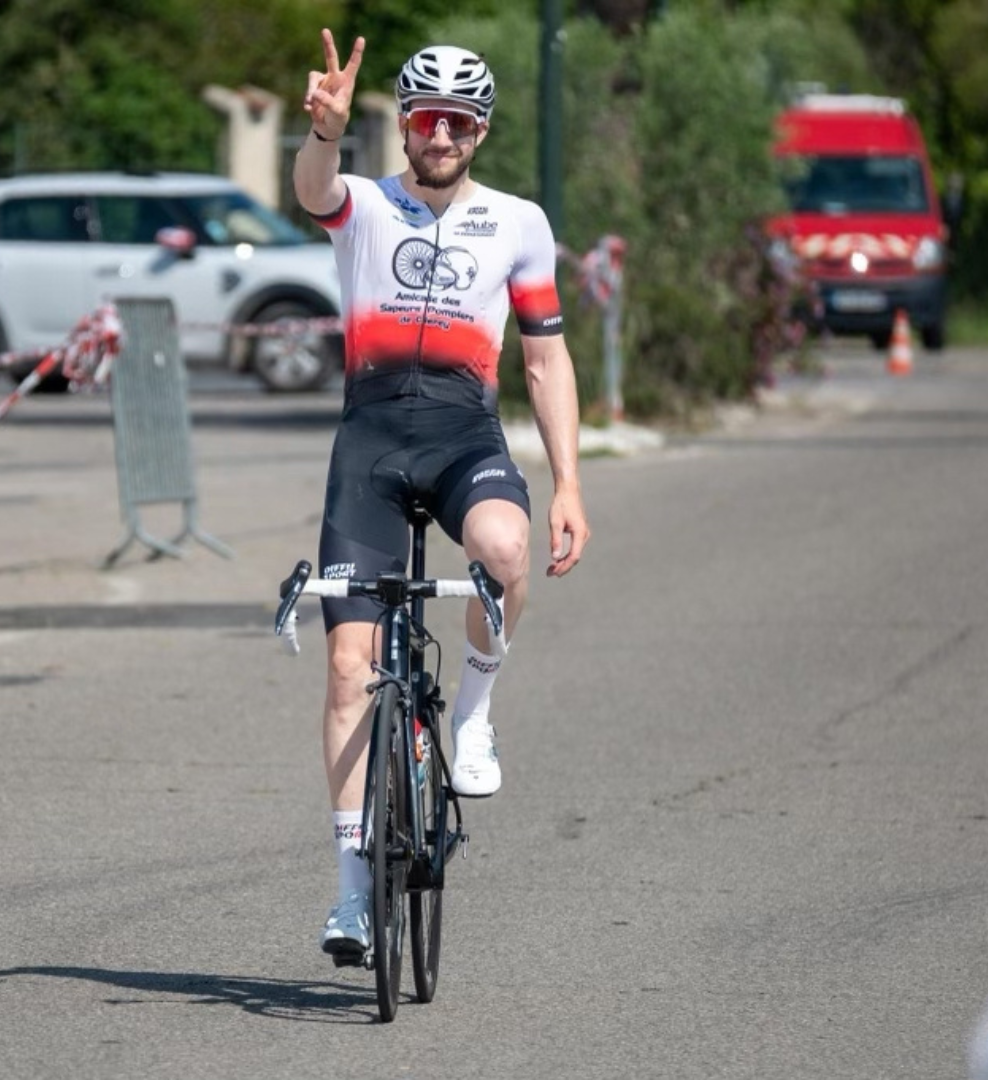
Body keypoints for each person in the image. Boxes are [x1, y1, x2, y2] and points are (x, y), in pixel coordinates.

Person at [295, 28, 591, 962]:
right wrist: (323, 134)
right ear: (408, 124)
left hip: (465, 436)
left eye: (459, 121)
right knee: (348, 667)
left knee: (505, 553)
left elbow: (543, 360)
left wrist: (570, 482)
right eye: (426, 117)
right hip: (372, 443)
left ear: (481, 131)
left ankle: (470, 714)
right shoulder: (366, 204)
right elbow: (314, 193)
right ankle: (350, 898)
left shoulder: (519, 222)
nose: (441, 134)